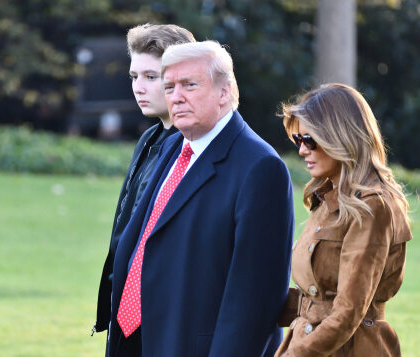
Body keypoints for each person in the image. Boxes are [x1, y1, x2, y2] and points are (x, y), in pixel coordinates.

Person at [109, 41, 294, 357]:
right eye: (169, 87)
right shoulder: (173, 148)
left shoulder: (260, 167)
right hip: (139, 339)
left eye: (189, 85)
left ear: (225, 92)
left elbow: (255, 298)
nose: (176, 96)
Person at [275, 83, 412, 357]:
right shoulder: (328, 197)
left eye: (310, 140)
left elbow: (348, 312)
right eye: (298, 140)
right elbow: (316, 298)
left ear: (340, 137)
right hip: (311, 344)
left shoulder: (372, 206)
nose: (302, 150)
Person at [93, 24, 195, 341]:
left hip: (162, 317)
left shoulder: (193, 148)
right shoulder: (150, 138)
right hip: (125, 308)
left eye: (151, 77)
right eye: (134, 77)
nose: (139, 87)